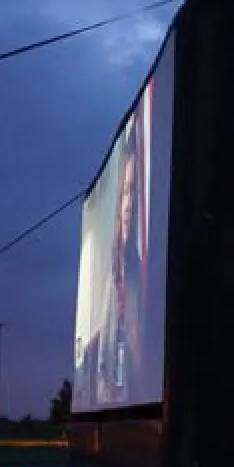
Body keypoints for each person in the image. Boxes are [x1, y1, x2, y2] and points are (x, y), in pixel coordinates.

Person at [96, 114, 146, 405]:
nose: (128, 206)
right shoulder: (109, 277)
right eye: (125, 193)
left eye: (134, 191)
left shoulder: (142, 275)